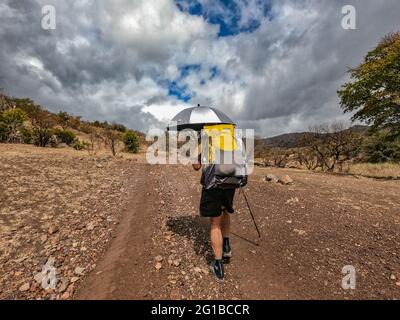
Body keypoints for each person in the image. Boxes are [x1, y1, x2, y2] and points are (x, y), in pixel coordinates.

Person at [192, 153, 235, 282]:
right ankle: (226, 247)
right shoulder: (232, 137)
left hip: (213, 184)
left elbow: (196, 166)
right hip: (231, 182)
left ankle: (218, 266)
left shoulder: (205, 140)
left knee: (215, 223)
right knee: (225, 210)